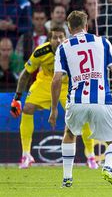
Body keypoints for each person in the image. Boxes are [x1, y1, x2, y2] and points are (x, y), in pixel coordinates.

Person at [48, 11, 112, 188]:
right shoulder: (103, 42)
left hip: (76, 100)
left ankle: (67, 178)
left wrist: (53, 109)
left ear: (69, 28)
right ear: (86, 26)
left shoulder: (63, 47)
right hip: (101, 100)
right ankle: (108, 168)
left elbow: (56, 79)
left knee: (69, 133)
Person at [10, 27, 98, 170]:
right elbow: (26, 73)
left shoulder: (74, 51)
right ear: (49, 40)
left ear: (66, 38)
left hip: (67, 85)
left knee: (84, 113)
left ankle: (91, 155)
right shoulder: (40, 52)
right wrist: (17, 98)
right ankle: (26, 154)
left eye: (61, 37)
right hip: (45, 82)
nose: (58, 40)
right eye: (54, 38)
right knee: (27, 108)